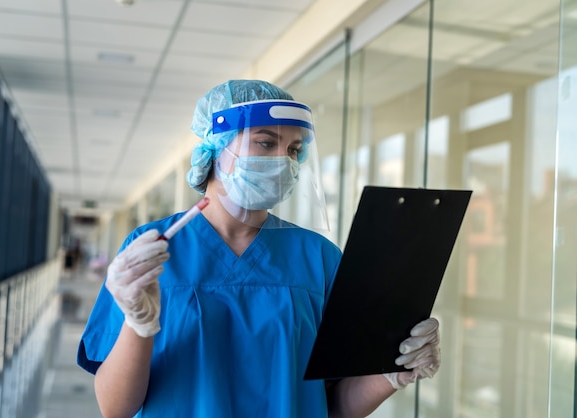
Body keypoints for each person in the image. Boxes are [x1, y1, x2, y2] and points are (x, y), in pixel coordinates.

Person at [77, 79, 441, 418]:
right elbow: (116, 408)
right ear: (216, 147)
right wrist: (137, 325)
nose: (283, 161)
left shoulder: (319, 259)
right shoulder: (152, 250)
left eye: (294, 150)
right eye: (266, 143)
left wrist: (393, 373)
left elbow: (333, 405)